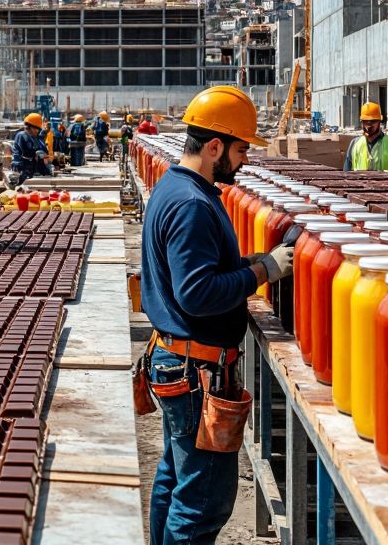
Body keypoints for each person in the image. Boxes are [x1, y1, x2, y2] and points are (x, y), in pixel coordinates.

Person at [141, 86, 294, 545]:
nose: (244, 160)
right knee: (203, 502)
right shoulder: (192, 204)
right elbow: (198, 293)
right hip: (196, 370)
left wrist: (247, 264)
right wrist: (265, 271)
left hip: (177, 360)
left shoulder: (179, 187)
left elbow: (196, 271)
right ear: (214, 146)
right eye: (241, 148)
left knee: (176, 478)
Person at [344, 102, 388, 172]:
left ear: (379, 122)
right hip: (360, 182)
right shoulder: (354, 144)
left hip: (385, 183)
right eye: (365, 122)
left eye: (372, 122)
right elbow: (346, 173)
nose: (368, 126)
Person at [12, 113, 52, 183]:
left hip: (35, 170)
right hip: (24, 170)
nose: (37, 131)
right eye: (36, 128)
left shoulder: (35, 137)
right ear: (29, 126)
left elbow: (43, 149)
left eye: (38, 129)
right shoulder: (22, 135)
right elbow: (25, 152)